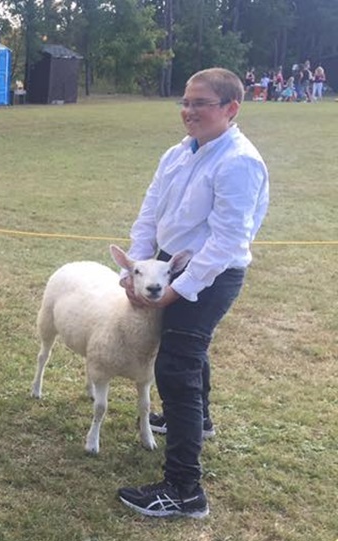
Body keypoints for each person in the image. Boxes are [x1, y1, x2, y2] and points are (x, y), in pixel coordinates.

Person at [116, 68, 269, 519]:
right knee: (188, 352)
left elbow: (225, 242)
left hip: (211, 274)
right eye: (185, 102)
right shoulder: (179, 154)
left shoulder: (238, 161)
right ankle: (198, 422)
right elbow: (149, 215)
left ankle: (185, 490)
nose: (189, 111)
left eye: (201, 103)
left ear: (230, 109)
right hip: (167, 265)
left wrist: (176, 291)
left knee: (177, 362)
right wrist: (133, 271)